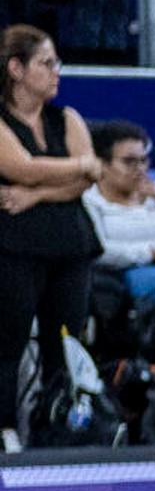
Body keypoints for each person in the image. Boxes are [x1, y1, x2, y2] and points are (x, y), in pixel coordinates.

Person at [0, 25, 97, 440]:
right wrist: (78, 167)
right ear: (16, 69)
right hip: (16, 249)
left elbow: (89, 178)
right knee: (9, 341)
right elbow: (19, 167)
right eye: (46, 63)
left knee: (67, 343)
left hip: (70, 246)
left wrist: (36, 196)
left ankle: (61, 428)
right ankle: (5, 430)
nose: (56, 71)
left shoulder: (67, 118)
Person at [84, 118, 155, 338]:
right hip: (132, 269)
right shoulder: (91, 201)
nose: (140, 169)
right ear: (102, 164)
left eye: (143, 160)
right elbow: (98, 249)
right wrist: (151, 254)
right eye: (129, 162)